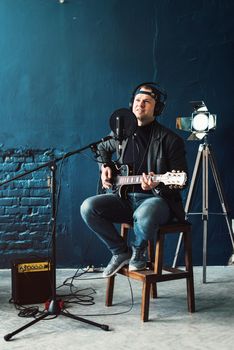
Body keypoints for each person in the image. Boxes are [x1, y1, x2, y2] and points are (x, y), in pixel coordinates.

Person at [80, 82, 188, 278]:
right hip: (124, 199)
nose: (141, 104)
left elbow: (181, 180)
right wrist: (104, 167)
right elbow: (102, 149)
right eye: (138, 100)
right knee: (88, 207)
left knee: (145, 214)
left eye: (146, 101)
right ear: (131, 104)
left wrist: (157, 184)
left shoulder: (170, 140)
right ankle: (120, 251)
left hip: (156, 201)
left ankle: (139, 250)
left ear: (158, 108)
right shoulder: (121, 134)